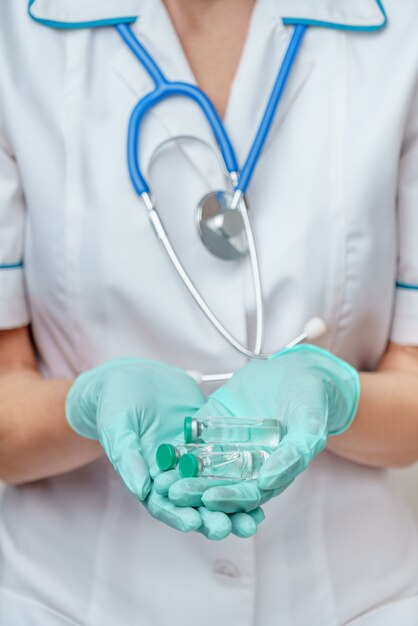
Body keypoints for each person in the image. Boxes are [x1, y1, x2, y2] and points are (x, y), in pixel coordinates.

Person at [0, 0, 418, 624]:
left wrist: (337, 397)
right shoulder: (16, 33)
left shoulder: (402, 29)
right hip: (66, 597)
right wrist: (83, 407)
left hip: (352, 598)